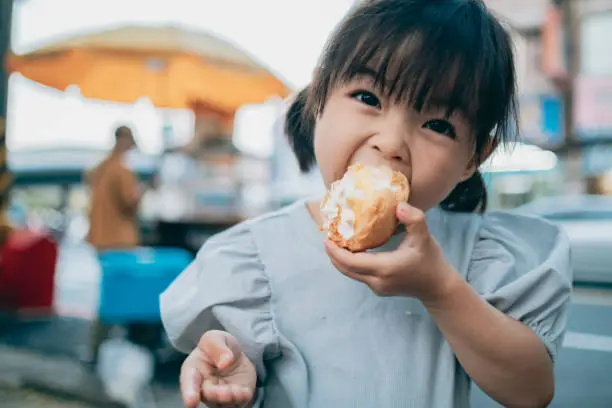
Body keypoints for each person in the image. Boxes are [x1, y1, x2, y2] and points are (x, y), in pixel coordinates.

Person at [160, 1, 573, 407]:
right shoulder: (255, 257)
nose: (391, 143)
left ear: (473, 157)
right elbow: (231, 361)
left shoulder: (479, 257)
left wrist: (441, 291)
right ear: (320, 95)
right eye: (368, 98)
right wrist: (230, 365)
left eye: (438, 125)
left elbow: (531, 390)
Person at [83, 125, 149, 365]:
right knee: (118, 296)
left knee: (110, 293)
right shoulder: (122, 170)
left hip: (100, 239)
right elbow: (129, 204)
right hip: (120, 241)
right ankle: (103, 349)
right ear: (124, 140)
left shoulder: (99, 168)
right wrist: (143, 189)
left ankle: (100, 348)